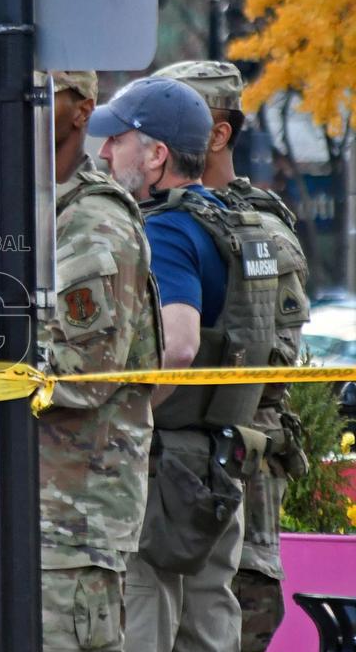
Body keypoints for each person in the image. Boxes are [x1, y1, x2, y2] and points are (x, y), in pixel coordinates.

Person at [90, 77, 279, 652]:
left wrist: (128, 417)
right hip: (220, 454)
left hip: (166, 466)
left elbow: (178, 346)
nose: (103, 153)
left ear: (156, 154)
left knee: (146, 613)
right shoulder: (229, 221)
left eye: (117, 139)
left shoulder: (167, 228)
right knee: (209, 623)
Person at [153, 60, 311, 651]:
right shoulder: (157, 218)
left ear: (218, 135)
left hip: (230, 468)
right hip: (173, 473)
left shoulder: (257, 230)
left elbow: (271, 364)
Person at [38, 71, 163, 651]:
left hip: (73, 512)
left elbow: (84, 376)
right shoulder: (36, 207)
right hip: (40, 503)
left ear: (81, 111)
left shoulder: (91, 221)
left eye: (41, 95)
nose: (20, 106)